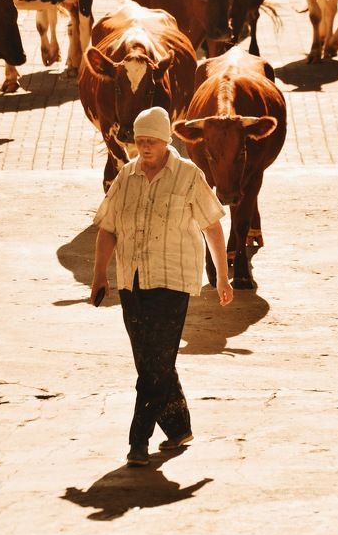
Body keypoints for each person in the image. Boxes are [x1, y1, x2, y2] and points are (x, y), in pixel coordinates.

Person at [90, 106, 234, 467]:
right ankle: (179, 427)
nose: (145, 147)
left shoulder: (188, 176)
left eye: (151, 140)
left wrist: (221, 275)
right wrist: (99, 275)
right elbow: (108, 227)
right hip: (132, 280)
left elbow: (212, 226)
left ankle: (138, 441)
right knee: (151, 363)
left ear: (166, 140)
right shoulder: (126, 176)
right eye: (140, 141)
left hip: (173, 280)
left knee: (154, 365)